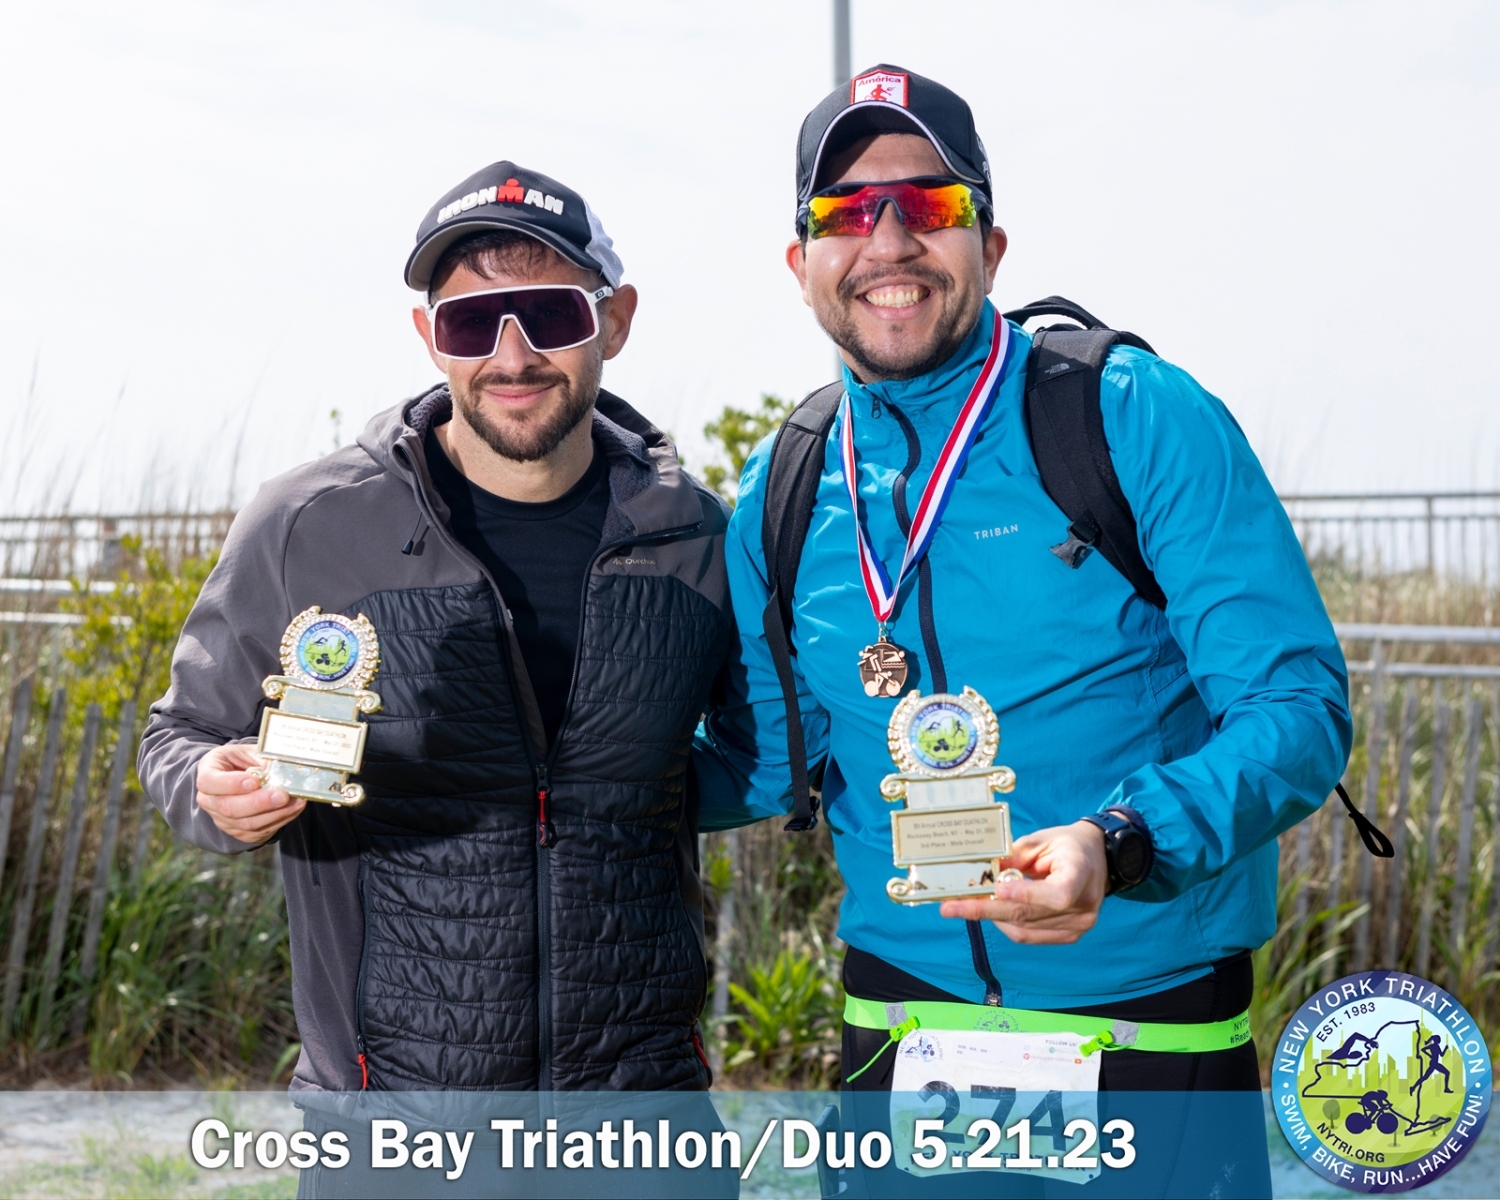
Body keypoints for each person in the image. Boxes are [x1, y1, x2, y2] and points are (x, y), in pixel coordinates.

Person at [695, 64, 1350, 1188]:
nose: (889, 240)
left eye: (931, 206)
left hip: (1144, 1020)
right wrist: (529, 782)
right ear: (801, 265)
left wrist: (1124, 840)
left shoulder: (1131, 414)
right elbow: (762, 760)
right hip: (900, 1028)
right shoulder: (786, 481)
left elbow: (1296, 710)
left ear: (991, 246)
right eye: (847, 213)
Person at [140, 161, 733, 1095]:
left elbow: (751, 749)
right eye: (469, 322)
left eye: (550, 315)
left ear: (613, 321)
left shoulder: (695, 537)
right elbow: (178, 734)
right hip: (392, 1127)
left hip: (641, 1117)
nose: (511, 356)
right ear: (429, 337)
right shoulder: (309, 524)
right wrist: (210, 789)